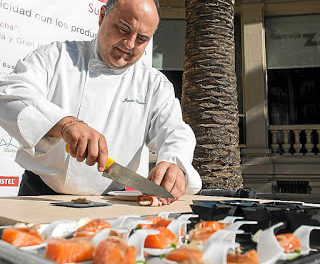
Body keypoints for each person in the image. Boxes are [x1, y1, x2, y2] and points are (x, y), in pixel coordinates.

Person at [0, 0, 202, 203]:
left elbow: (174, 131)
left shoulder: (153, 84)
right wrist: (65, 124)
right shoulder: (56, 57)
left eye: (141, 38)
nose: (130, 44)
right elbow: (9, 93)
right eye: (123, 29)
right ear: (102, 16)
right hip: (39, 195)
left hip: (112, 202)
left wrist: (173, 163)